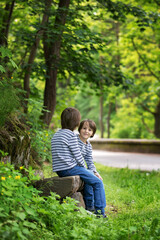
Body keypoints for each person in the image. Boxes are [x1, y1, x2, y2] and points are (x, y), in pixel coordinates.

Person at [51, 107, 106, 217]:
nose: (86, 131)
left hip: (60, 170)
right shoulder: (71, 136)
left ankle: (90, 208)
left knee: (89, 177)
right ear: (77, 124)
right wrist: (85, 170)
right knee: (98, 182)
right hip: (69, 168)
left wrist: (90, 171)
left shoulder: (56, 134)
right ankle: (100, 213)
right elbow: (78, 157)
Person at [77, 119, 104, 213]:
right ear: (79, 129)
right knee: (90, 175)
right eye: (84, 128)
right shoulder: (75, 140)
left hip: (82, 168)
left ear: (92, 133)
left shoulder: (88, 145)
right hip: (75, 168)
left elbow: (89, 161)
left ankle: (92, 205)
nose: (86, 131)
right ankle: (89, 205)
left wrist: (96, 172)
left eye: (89, 130)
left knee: (93, 176)